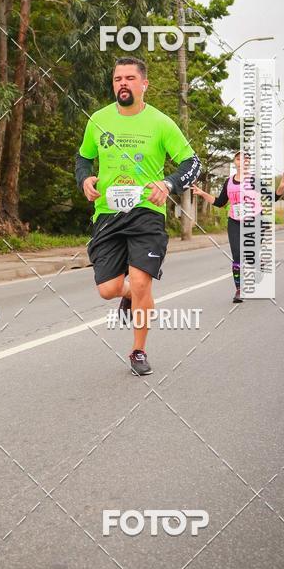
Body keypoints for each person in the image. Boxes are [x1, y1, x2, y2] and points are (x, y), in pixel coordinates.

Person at [75, 56, 201, 376]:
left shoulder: (161, 123)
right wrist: (84, 179)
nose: (123, 84)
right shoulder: (99, 119)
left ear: (144, 84)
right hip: (107, 214)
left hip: (147, 212)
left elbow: (192, 164)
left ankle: (138, 350)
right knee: (108, 289)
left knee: (142, 281)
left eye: (130, 78)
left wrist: (168, 182)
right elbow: (83, 159)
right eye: (118, 79)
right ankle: (129, 294)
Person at [192, 153, 284, 303]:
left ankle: (258, 262)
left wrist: (280, 188)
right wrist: (203, 193)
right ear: (235, 162)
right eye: (239, 159)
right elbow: (220, 202)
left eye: (246, 159)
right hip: (235, 221)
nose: (243, 161)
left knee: (250, 256)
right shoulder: (228, 182)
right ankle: (239, 290)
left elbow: (272, 197)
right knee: (237, 256)